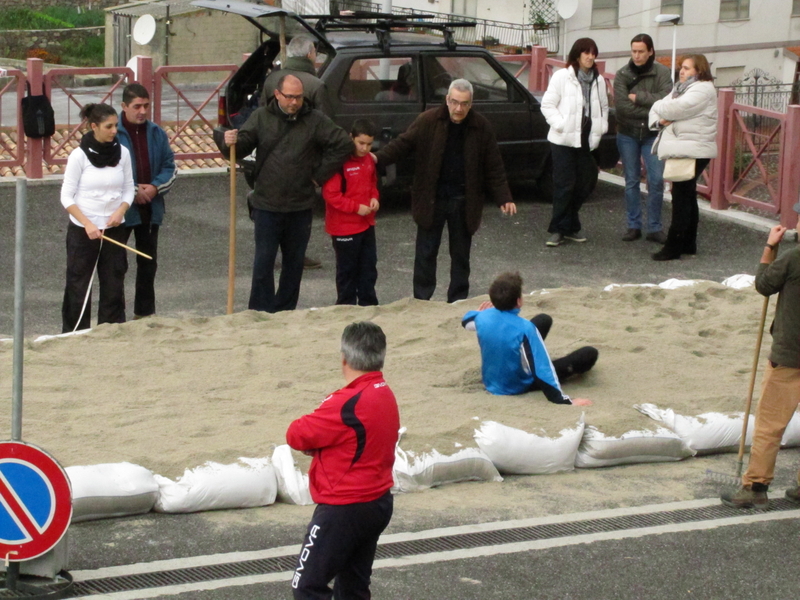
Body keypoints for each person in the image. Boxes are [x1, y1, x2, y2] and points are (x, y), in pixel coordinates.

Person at [375, 79, 517, 303]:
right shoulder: (428, 121)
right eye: (455, 102)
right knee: (426, 253)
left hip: (464, 200)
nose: (459, 108)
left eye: (464, 104)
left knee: (461, 255)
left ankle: (458, 298)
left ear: (471, 104)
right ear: (447, 100)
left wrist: (504, 197)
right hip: (431, 199)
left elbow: (494, 165)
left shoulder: (481, 127)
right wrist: (375, 159)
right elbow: (402, 145)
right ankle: (422, 299)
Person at [286, 321, 400, 599]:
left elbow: (296, 434)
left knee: (307, 586)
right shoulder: (384, 392)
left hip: (344, 508)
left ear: (345, 358)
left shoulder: (346, 402)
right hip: (377, 501)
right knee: (353, 587)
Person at [222, 74, 352, 313]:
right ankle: (260, 311)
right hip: (267, 205)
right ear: (278, 95)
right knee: (263, 264)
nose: (294, 102)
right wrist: (226, 140)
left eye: (299, 97)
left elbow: (342, 143)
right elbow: (241, 147)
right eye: (290, 97)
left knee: (293, 266)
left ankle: (285, 311)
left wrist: (319, 176)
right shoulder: (261, 117)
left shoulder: (314, 120)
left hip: (300, 206)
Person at [721, 225, 800, 510]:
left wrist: (769, 247)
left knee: (769, 426)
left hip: (790, 357)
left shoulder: (793, 258)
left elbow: (764, 285)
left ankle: (756, 487)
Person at [461, 272, 597, 405]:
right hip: (517, 385)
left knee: (543, 320)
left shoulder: (482, 317)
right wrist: (563, 400)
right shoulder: (525, 328)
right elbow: (541, 368)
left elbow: (466, 322)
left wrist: (479, 313)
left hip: (491, 380)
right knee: (589, 353)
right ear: (519, 301)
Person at [60, 103, 135, 333]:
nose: (114, 130)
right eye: (108, 126)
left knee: (114, 280)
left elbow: (129, 189)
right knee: (78, 283)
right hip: (84, 230)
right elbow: (66, 197)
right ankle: (74, 332)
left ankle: (110, 330)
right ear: (94, 126)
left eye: (116, 126)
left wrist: (120, 211)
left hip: (114, 227)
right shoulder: (78, 156)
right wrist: (88, 224)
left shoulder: (123, 153)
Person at [262, 35, 331, 270]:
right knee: (299, 215)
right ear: (310, 54)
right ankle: (296, 256)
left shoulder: (272, 80)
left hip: (270, 161)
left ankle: (269, 256)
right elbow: (325, 130)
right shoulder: (315, 85)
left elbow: (262, 117)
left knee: (270, 213)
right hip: (303, 161)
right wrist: (319, 172)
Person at [648, 54, 718, 261]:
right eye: (681, 67)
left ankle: (674, 246)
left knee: (681, 196)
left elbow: (672, 108)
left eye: (687, 68)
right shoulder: (682, 88)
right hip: (687, 147)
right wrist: (661, 118)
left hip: (693, 149)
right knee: (686, 194)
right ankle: (688, 243)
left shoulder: (702, 89)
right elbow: (664, 109)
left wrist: (657, 106)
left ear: (699, 70)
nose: (682, 71)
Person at [541, 38, 609, 247]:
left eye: (593, 53)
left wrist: (602, 126)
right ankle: (559, 229)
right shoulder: (563, 76)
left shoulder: (598, 80)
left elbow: (604, 106)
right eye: (586, 53)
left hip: (587, 137)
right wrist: (561, 124)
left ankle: (570, 225)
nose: (590, 57)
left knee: (585, 182)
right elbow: (547, 105)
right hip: (563, 138)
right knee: (564, 184)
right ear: (577, 54)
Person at [117, 83, 177, 319]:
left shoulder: (157, 133)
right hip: (120, 212)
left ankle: (144, 314)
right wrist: (132, 190)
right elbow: (109, 170)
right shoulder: (114, 132)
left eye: (146, 106)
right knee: (116, 266)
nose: (142, 111)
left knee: (148, 263)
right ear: (124, 106)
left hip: (151, 209)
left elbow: (169, 166)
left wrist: (153, 188)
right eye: (137, 106)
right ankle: (115, 316)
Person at [614, 34, 672, 244]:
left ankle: (655, 227)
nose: (636, 56)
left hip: (652, 134)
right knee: (631, 181)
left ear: (650, 52)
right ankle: (633, 225)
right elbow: (621, 106)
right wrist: (651, 108)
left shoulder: (663, 72)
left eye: (641, 51)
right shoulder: (622, 74)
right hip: (627, 132)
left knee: (656, 180)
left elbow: (666, 102)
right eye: (634, 51)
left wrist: (638, 97)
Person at [322, 119, 380, 306]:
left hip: (366, 224)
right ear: (351, 138)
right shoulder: (339, 162)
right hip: (344, 227)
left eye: (369, 144)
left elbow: (372, 184)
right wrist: (356, 207)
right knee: (347, 271)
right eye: (361, 143)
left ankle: (368, 304)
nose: (364, 148)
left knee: (368, 268)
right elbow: (331, 195)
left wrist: (374, 198)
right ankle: (346, 307)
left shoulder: (369, 160)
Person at [261, 35, 331, 116]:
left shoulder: (271, 79)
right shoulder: (317, 86)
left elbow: (262, 114)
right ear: (309, 55)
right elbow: (325, 123)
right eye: (315, 52)